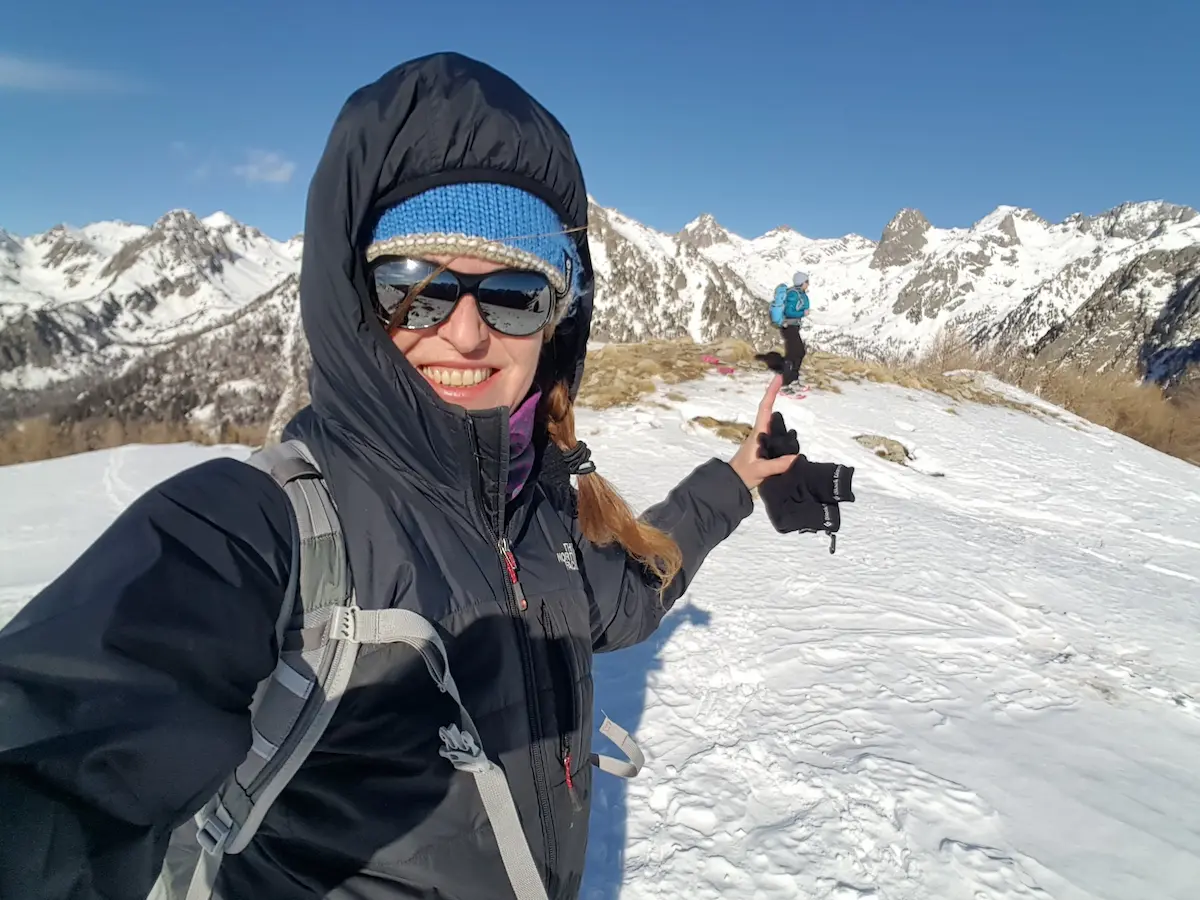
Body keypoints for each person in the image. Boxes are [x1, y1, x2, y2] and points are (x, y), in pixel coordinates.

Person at [0, 52, 799, 900]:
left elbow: (631, 592)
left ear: (556, 325)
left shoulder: (541, 517)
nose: (464, 334)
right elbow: (67, 736)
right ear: (356, 301)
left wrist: (735, 478)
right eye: (413, 289)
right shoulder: (268, 526)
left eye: (515, 295)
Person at [767, 271, 811, 385]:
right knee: (795, 353)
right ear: (802, 282)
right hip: (788, 326)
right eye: (807, 281)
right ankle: (787, 382)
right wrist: (803, 313)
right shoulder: (793, 294)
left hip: (792, 326)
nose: (808, 284)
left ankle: (792, 379)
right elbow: (789, 311)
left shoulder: (797, 293)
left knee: (797, 352)